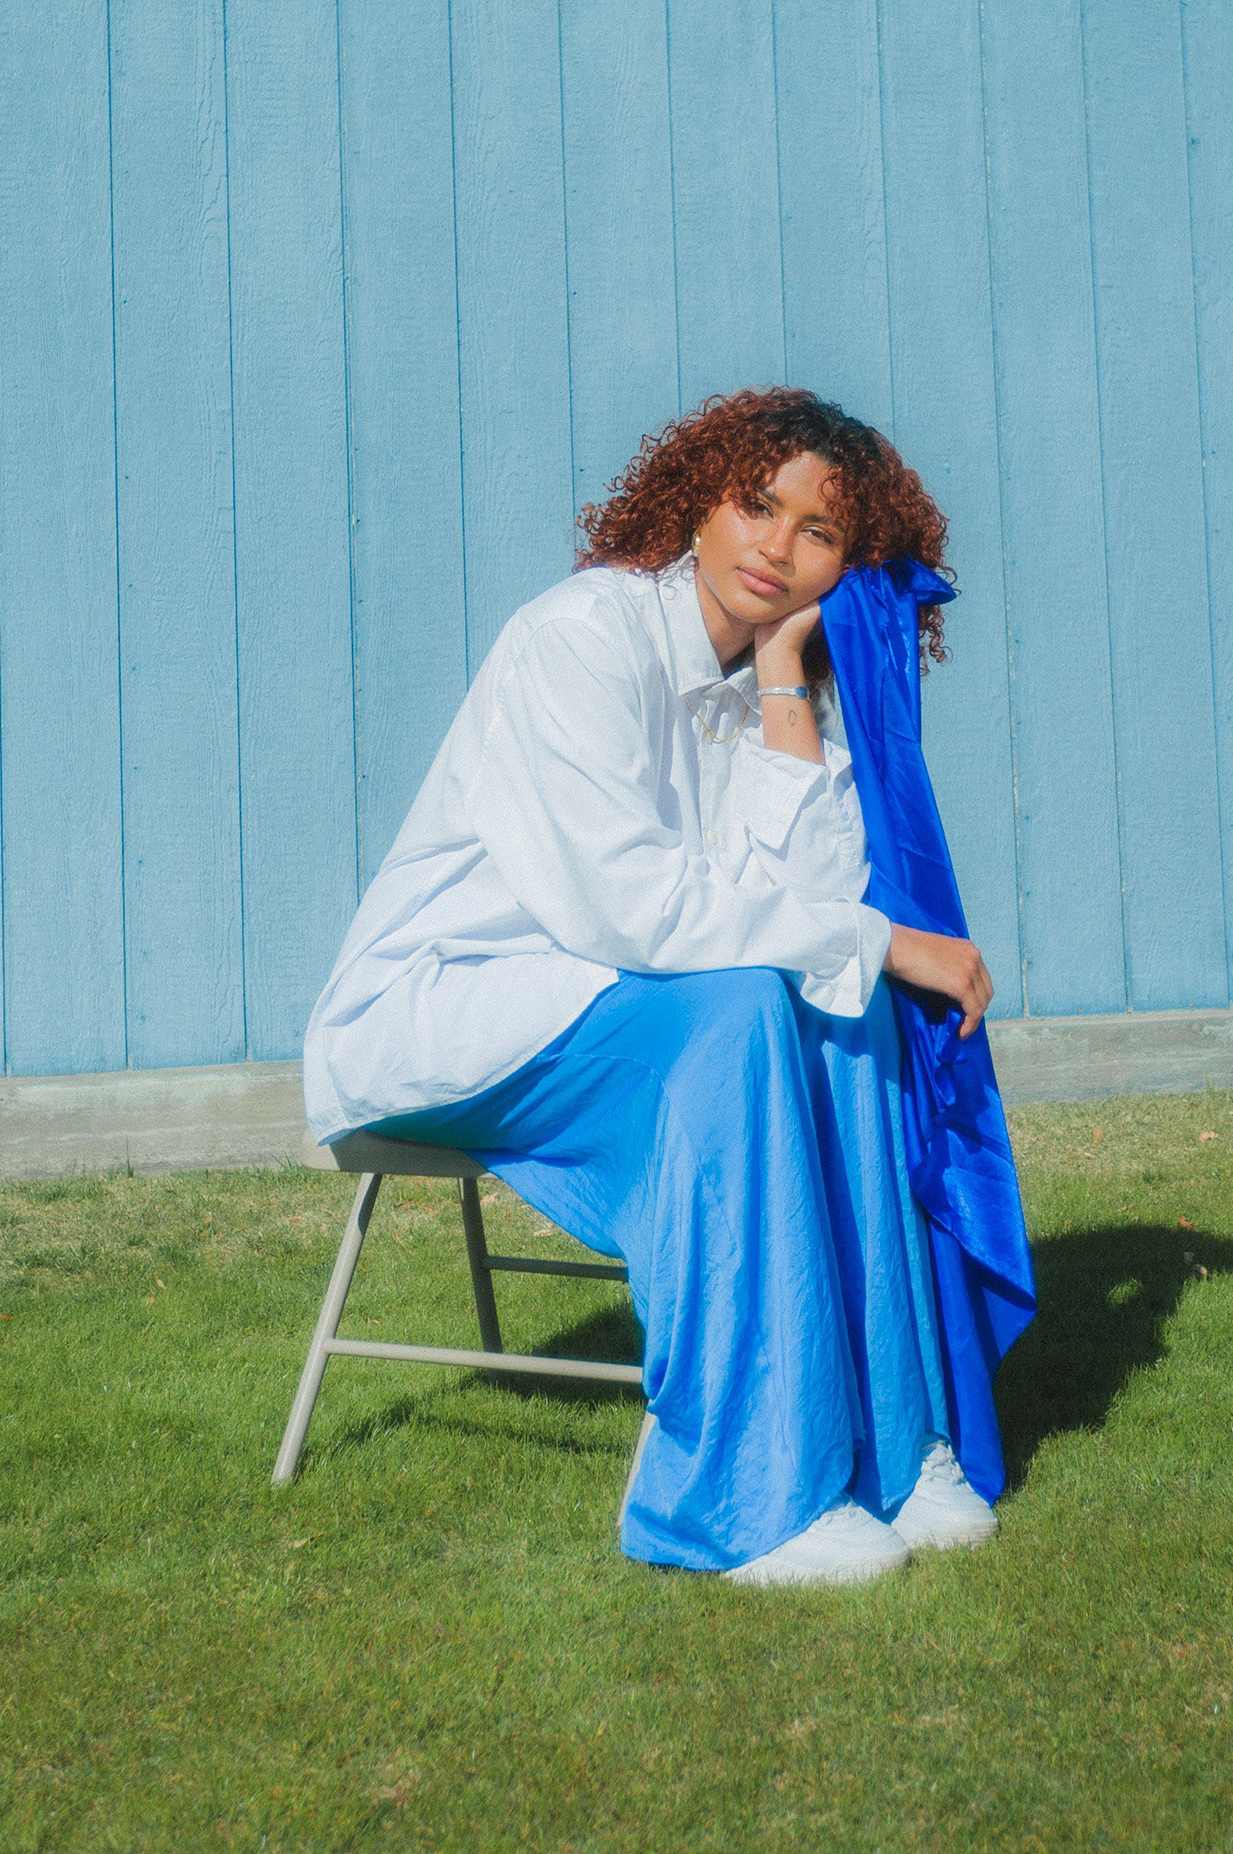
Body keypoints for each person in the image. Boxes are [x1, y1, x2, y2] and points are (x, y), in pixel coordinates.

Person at [303, 387, 1007, 1586]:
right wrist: (885, 941)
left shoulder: (780, 684)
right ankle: (742, 1501)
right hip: (452, 1009)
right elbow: (631, 907)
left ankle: (889, 1447)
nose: (776, 548)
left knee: (842, 1007)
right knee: (759, 1002)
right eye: (756, 505)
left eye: (820, 533)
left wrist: (784, 678)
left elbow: (807, 901)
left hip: (618, 1009)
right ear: (697, 501)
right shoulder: (582, 636)